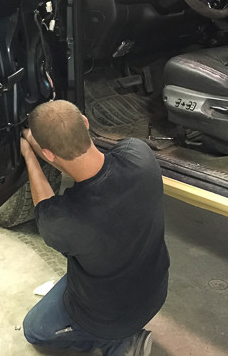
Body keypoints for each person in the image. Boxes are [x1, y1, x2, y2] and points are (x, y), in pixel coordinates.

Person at [20, 100, 170, 356]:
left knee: (34, 329)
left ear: (48, 155)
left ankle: (121, 344)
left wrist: (29, 156)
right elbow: (81, 159)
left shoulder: (62, 221)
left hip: (110, 319)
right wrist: (41, 146)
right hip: (155, 290)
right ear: (86, 123)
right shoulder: (139, 154)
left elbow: (44, 205)